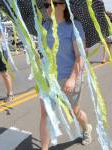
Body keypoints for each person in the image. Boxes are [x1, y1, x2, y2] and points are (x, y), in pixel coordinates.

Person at [40, 0, 92, 149]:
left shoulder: (74, 27)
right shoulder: (46, 25)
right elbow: (44, 51)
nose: (46, 8)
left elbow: (80, 56)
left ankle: (86, 128)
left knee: (74, 111)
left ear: (62, 5)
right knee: (45, 113)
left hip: (68, 77)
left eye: (49, 4)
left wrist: (72, 78)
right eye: (45, 5)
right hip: (49, 78)